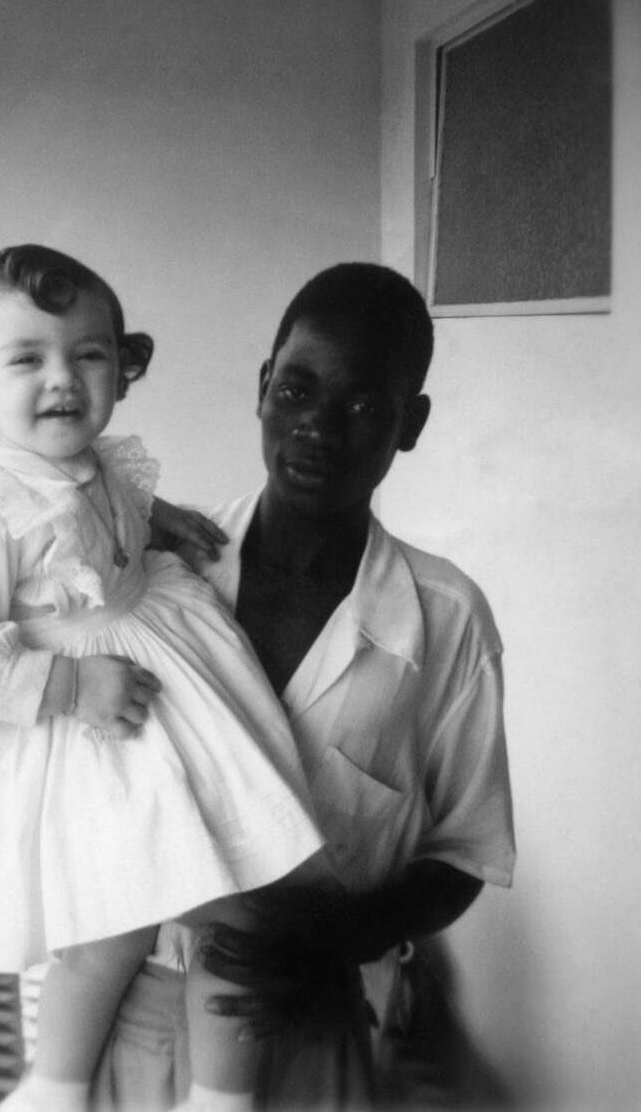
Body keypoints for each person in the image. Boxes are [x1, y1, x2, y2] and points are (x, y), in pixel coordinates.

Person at [0, 245, 329, 1112]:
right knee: (109, 926)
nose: (62, 379)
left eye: (89, 354)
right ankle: (54, 1087)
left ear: (122, 368)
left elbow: (108, 514)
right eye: (26, 358)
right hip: (78, 720)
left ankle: (217, 1093)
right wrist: (66, 685)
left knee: (227, 905)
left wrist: (159, 521)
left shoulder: (98, 464)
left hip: (157, 681)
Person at [92, 262, 515, 1110]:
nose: (317, 429)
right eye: (296, 390)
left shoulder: (446, 621)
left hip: (318, 1016)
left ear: (412, 423)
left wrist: (330, 938)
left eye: (363, 406)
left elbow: (466, 853)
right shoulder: (160, 574)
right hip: (138, 997)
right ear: (262, 389)